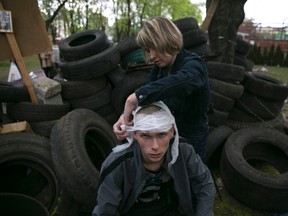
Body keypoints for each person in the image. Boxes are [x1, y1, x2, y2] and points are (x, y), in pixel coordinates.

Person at [113, 16, 211, 160]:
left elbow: (181, 82)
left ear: (168, 40)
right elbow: (150, 92)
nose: (152, 56)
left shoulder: (195, 66)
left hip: (192, 135)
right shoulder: (159, 68)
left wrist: (135, 98)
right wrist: (125, 117)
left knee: (192, 175)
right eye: (147, 50)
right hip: (165, 131)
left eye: (155, 48)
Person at [92, 101, 215, 216]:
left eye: (161, 134)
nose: (155, 146)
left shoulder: (183, 151)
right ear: (135, 135)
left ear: (171, 132)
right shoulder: (118, 163)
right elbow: (105, 210)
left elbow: (205, 184)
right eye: (145, 136)